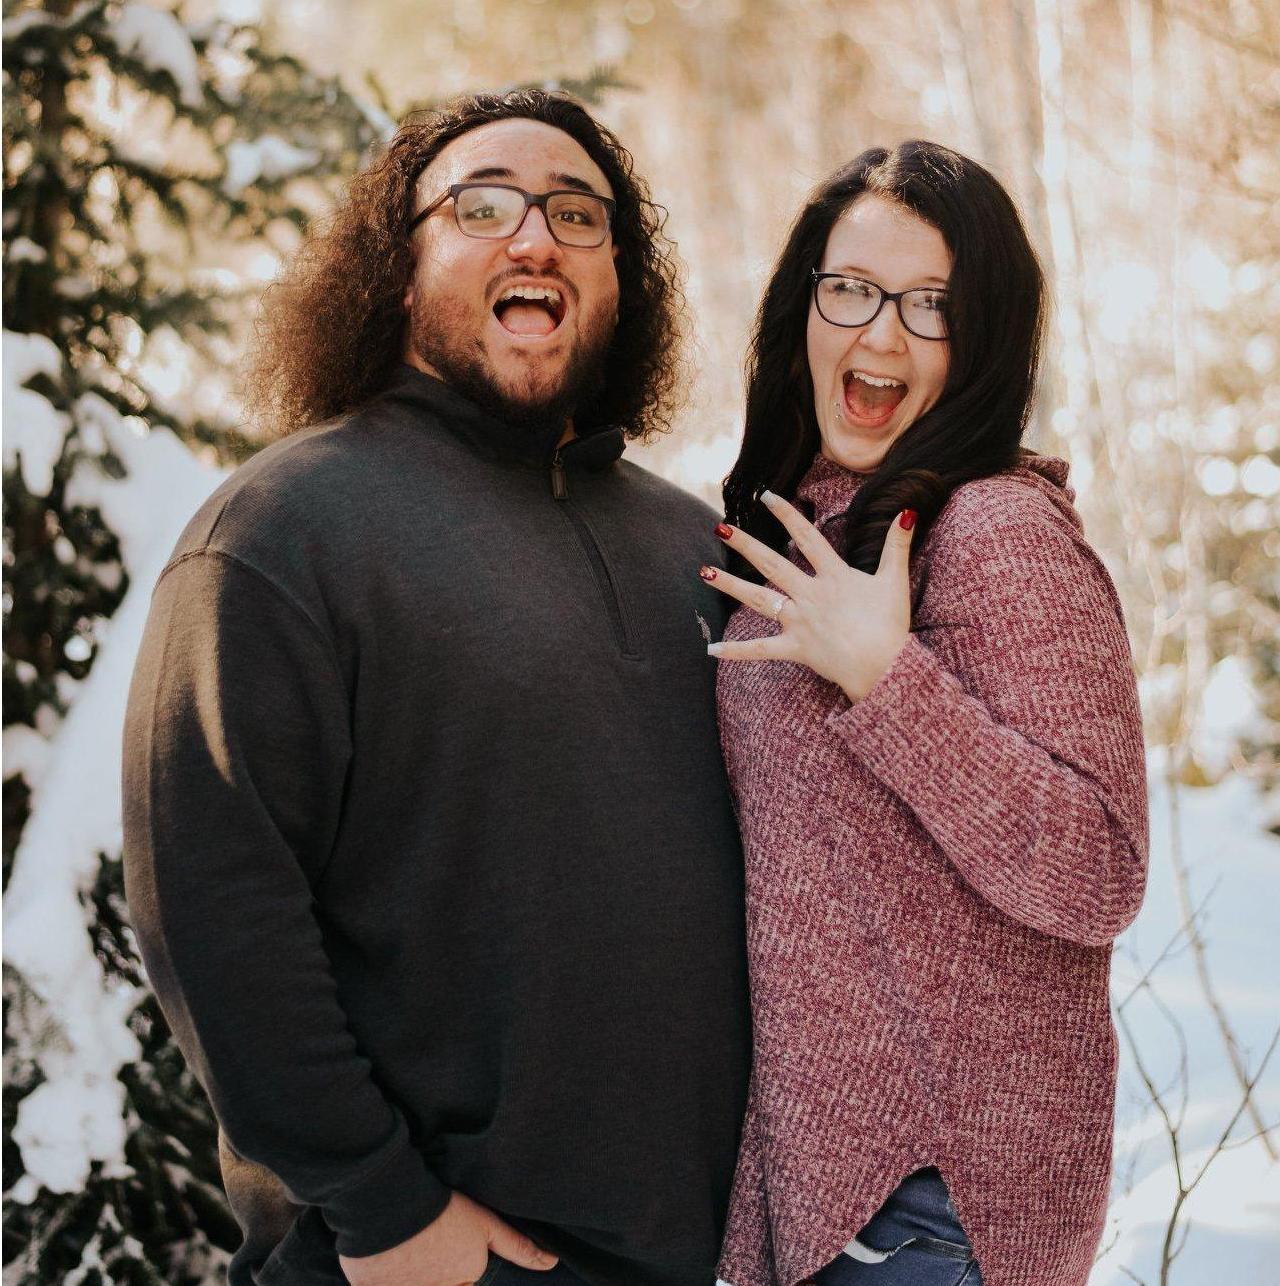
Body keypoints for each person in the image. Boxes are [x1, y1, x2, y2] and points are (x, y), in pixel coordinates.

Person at [122, 89, 751, 1286]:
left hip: (695, 1256)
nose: (534, 237)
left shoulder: (696, 547)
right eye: (482, 204)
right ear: (397, 269)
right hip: (420, 1260)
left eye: (577, 214)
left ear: (621, 282)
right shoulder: (283, 528)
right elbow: (212, 903)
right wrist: (382, 1205)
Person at [700, 142, 1148, 1286]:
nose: (879, 336)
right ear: (802, 305)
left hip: (928, 1208)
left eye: (929, 305)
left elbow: (1098, 866)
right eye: (848, 289)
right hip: (827, 1192)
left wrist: (888, 682)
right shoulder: (803, 517)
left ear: (984, 336)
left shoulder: (996, 533)